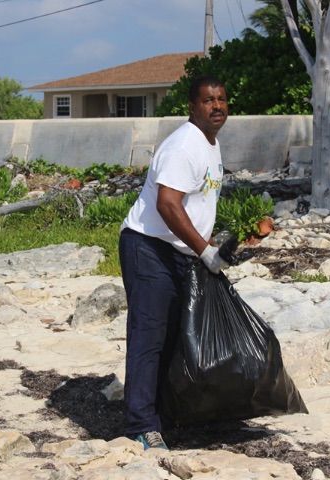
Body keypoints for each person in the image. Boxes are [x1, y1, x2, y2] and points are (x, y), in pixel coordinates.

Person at [118, 75, 230, 450]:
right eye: (207, 100)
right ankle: (141, 425)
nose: (216, 106)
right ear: (192, 107)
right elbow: (168, 204)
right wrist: (204, 250)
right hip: (148, 247)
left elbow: (197, 205)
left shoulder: (211, 144)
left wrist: (211, 245)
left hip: (180, 250)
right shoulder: (185, 145)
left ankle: (165, 413)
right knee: (149, 336)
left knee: (178, 336)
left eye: (221, 100)